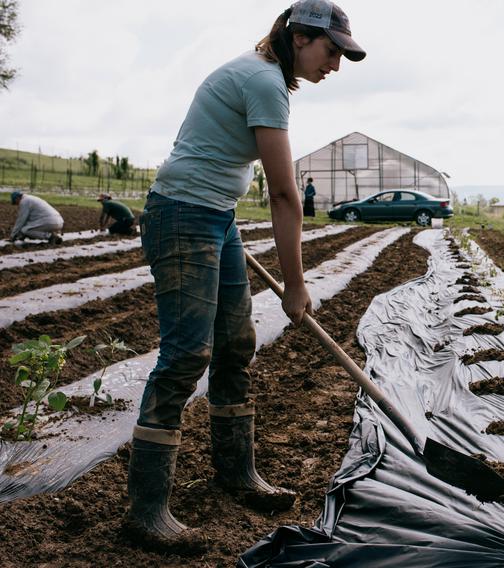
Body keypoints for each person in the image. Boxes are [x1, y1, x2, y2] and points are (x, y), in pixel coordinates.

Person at [126, 0, 365, 550]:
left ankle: (236, 472)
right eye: (332, 51)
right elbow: (284, 194)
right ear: (299, 37)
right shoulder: (263, 81)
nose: (335, 64)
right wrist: (296, 284)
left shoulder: (266, 77)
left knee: (234, 343)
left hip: (215, 215)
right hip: (183, 213)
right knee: (186, 353)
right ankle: (145, 509)